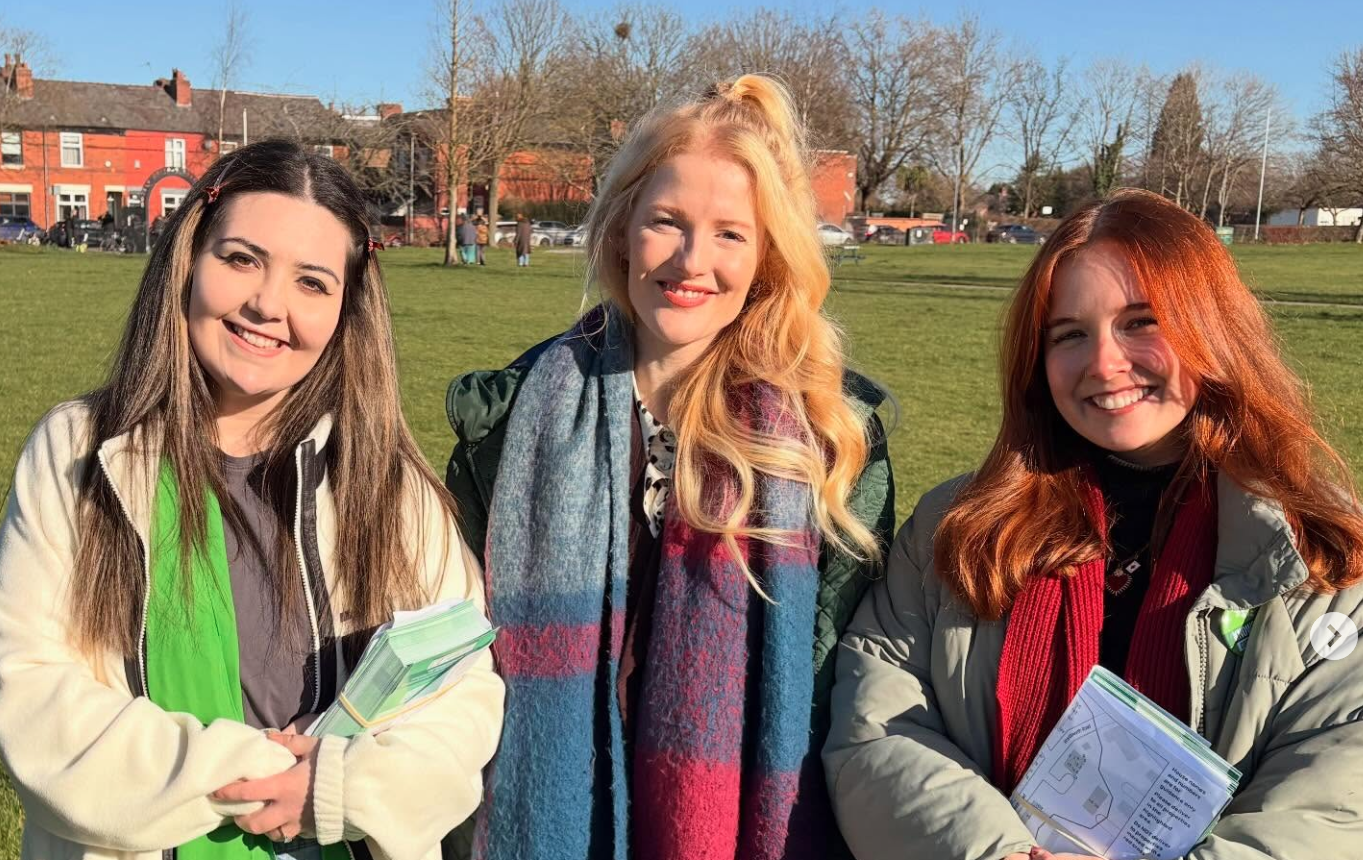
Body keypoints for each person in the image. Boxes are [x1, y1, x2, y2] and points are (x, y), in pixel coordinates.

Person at [825, 189, 1363, 860]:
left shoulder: (1330, 559)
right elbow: (874, 726)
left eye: (1142, 322)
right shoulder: (956, 529)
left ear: (1213, 329)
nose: (1104, 363)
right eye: (1070, 334)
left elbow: (1334, 807)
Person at [0, 139, 504, 860]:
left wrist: (337, 790)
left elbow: (462, 694)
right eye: (241, 259)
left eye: (312, 282)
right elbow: (28, 695)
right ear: (190, 260)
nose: (269, 304)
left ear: (345, 310)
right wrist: (248, 774)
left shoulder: (389, 487)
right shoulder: (77, 452)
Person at [445, 75, 895, 859]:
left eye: (730, 234)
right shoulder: (508, 423)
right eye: (667, 222)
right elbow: (459, 661)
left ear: (767, 256)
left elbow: (836, 686)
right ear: (622, 231)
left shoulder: (829, 439)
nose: (693, 261)